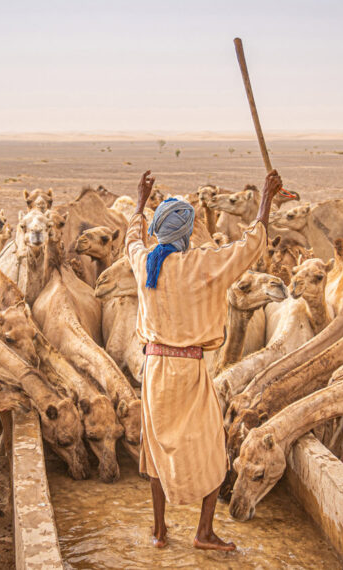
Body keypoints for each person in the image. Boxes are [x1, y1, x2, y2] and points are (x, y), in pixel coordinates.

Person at [125, 168, 283, 550]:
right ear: (185, 232)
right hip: (191, 371)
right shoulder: (204, 264)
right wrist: (266, 197)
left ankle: (160, 531)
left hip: (155, 368)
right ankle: (204, 532)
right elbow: (250, 246)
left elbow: (131, 237)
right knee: (214, 448)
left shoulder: (145, 262)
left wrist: (140, 200)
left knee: (157, 448)